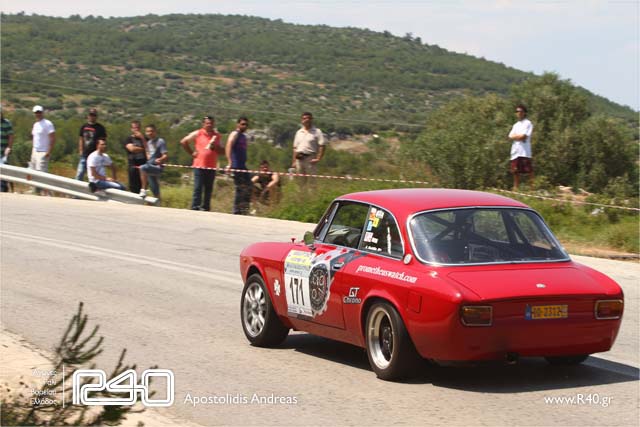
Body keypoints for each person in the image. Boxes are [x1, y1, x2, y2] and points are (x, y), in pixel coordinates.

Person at [180, 116, 223, 211]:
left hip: (211, 166)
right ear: (203, 124)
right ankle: (195, 207)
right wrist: (191, 153)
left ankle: (206, 208)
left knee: (208, 189)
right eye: (207, 123)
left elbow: (222, 151)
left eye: (211, 123)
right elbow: (183, 142)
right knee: (198, 188)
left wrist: (215, 147)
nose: (209, 125)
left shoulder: (217, 136)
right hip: (199, 165)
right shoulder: (198, 133)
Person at [225, 117, 251, 215]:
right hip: (236, 166)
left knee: (248, 186)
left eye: (246, 124)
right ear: (238, 124)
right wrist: (229, 162)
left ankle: (244, 209)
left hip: (242, 166)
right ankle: (236, 211)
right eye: (243, 124)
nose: (245, 126)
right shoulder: (235, 134)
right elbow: (228, 145)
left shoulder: (243, 136)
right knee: (240, 188)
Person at [76, 108, 107, 181]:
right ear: (88, 116)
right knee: (80, 173)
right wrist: (80, 150)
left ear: (96, 116)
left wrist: (101, 152)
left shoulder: (100, 128)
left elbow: (103, 141)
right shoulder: (84, 126)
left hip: (95, 155)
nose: (92, 117)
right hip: (85, 154)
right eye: (91, 115)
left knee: (94, 175)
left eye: (94, 115)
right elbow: (81, 139)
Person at [508, 104, 534, 190]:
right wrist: (518, 136)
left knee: (528, 170)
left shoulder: (528, 123)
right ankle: (516, 188)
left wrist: (516, 136)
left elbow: (524, 136)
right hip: (516, 150)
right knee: (515, 171)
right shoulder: (515, 125)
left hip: (524, 151)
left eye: (520, 111)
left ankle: (532, 188)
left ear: (524, 113)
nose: (519, 113)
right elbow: (510, 136)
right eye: (517, 111)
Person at [139, 124, 168, 199]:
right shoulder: (149, 142)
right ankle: (159, 202)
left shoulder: (160, 141)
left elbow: (165, 155)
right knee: (154, 189)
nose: (149, 133)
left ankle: (143, 189)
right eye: (147, 131)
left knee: (142, 168)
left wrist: (160, 159)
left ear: (155, 132)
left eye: (151, 131)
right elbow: (149, 155)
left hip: (157, 167)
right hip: (150, 166)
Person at [122, 120, 147, 194]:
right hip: (133, 165)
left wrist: (142, 138)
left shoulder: (145, 139)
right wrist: (144, 149)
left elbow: (150, 149)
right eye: (134, 128)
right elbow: (132, 149)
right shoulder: (128, 139)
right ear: (131, 129)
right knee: (133, 187)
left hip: (143, 165)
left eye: (138, 127)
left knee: (143, 187)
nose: (136, 129)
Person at [29, 105, 56, 174]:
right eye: (36, 112)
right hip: (35, 151)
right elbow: (34, 137)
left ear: (42, 112)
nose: (38, 114)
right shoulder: (35, 124)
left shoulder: (48, 123)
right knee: (32, 171)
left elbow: (52, 138)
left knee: (41, 173)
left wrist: (48, 151)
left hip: (43, 152)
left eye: (39, 112)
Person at [1, 107, 15, 192]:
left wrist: (9, 147)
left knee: (4, 171)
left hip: (3, 153)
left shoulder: (7, 123)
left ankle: (3, 189)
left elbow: (11, 136)